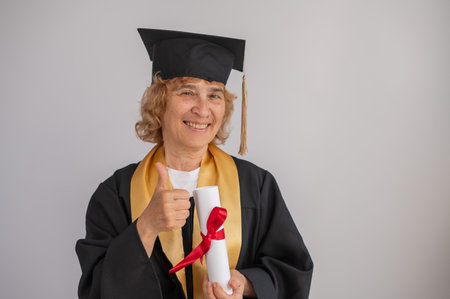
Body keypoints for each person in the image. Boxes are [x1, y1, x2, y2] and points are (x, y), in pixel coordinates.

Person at [76, 28, 313, 299]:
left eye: (214, 95)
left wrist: (247, 285)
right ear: (159, 103)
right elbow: (96, 289)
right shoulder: (116, 192)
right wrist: (146, 227)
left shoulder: (255, 185)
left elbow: (293, 270)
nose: (202, 109)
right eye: (187, 92)